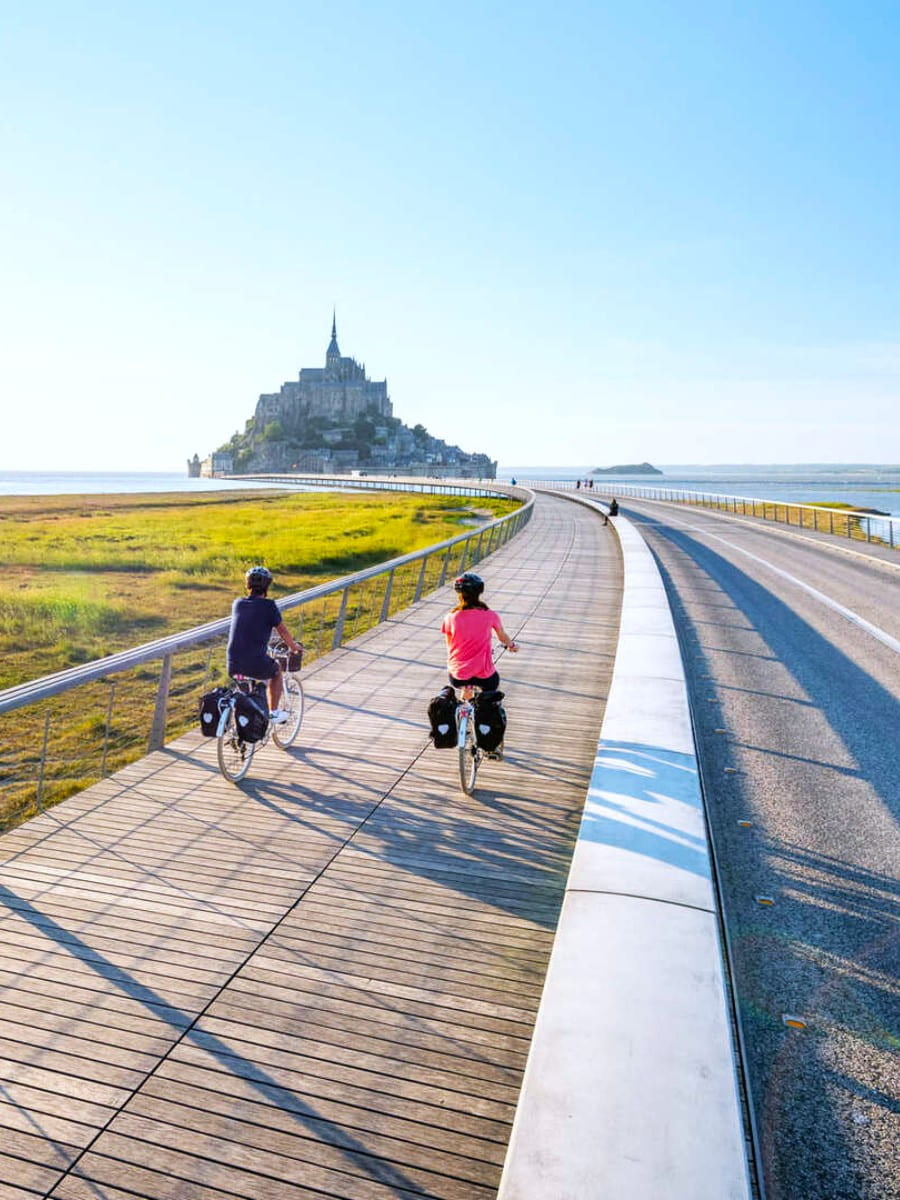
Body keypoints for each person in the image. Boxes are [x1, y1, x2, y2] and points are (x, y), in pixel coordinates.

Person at [226, 566, 303, 723]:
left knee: (246, 690)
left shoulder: (238, 603)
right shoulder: (269, 606)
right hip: (255, 663)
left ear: (247, 585)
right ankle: (273, 713)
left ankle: (242, 724)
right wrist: (294, 648)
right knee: (276, 670)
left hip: (233, 663)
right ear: (267, 586)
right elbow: (283, 632)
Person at [440, 572, 518, 695]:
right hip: (484, 674)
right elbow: (502, 637)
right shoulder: (490, 615)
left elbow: (450, 646)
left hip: (458, 675)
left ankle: (465, 699)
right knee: (491, 686)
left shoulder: (450, 617)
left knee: (463, 682)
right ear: (479, 592)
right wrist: (512, 646)